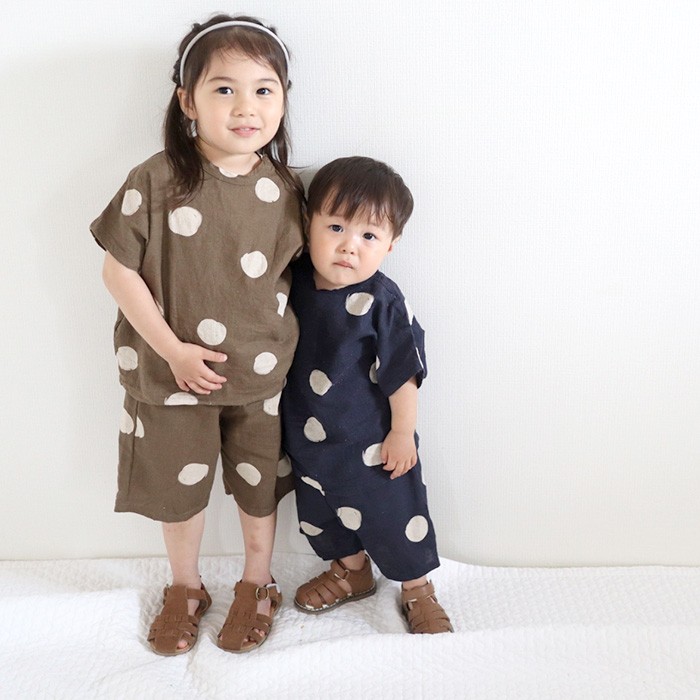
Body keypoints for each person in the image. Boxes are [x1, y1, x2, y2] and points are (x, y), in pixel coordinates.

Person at [90, 14, 304, 655]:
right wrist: (173, 351)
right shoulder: (156, 179)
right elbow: (118, 270)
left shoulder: (289, 189)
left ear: (284, 99)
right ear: (188, 101)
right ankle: (185, 585)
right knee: (179, 489)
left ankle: (258, 581)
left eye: (264, 90)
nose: (246, 107)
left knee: (258, 484)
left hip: (259, 375)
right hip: (170, 375)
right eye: (224, 89)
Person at [281, 156, 453, 634]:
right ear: (308, 224)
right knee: (321, 513)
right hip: (309, 441)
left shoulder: (382, 301)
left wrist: (402, 433)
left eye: (369, 236)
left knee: (392, 515)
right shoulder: (293, 284)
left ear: (390, 245)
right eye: (336, 227)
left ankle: (417, 588)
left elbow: (403, 373)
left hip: (373, 443)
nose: (348, 245)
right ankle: (351, 571)